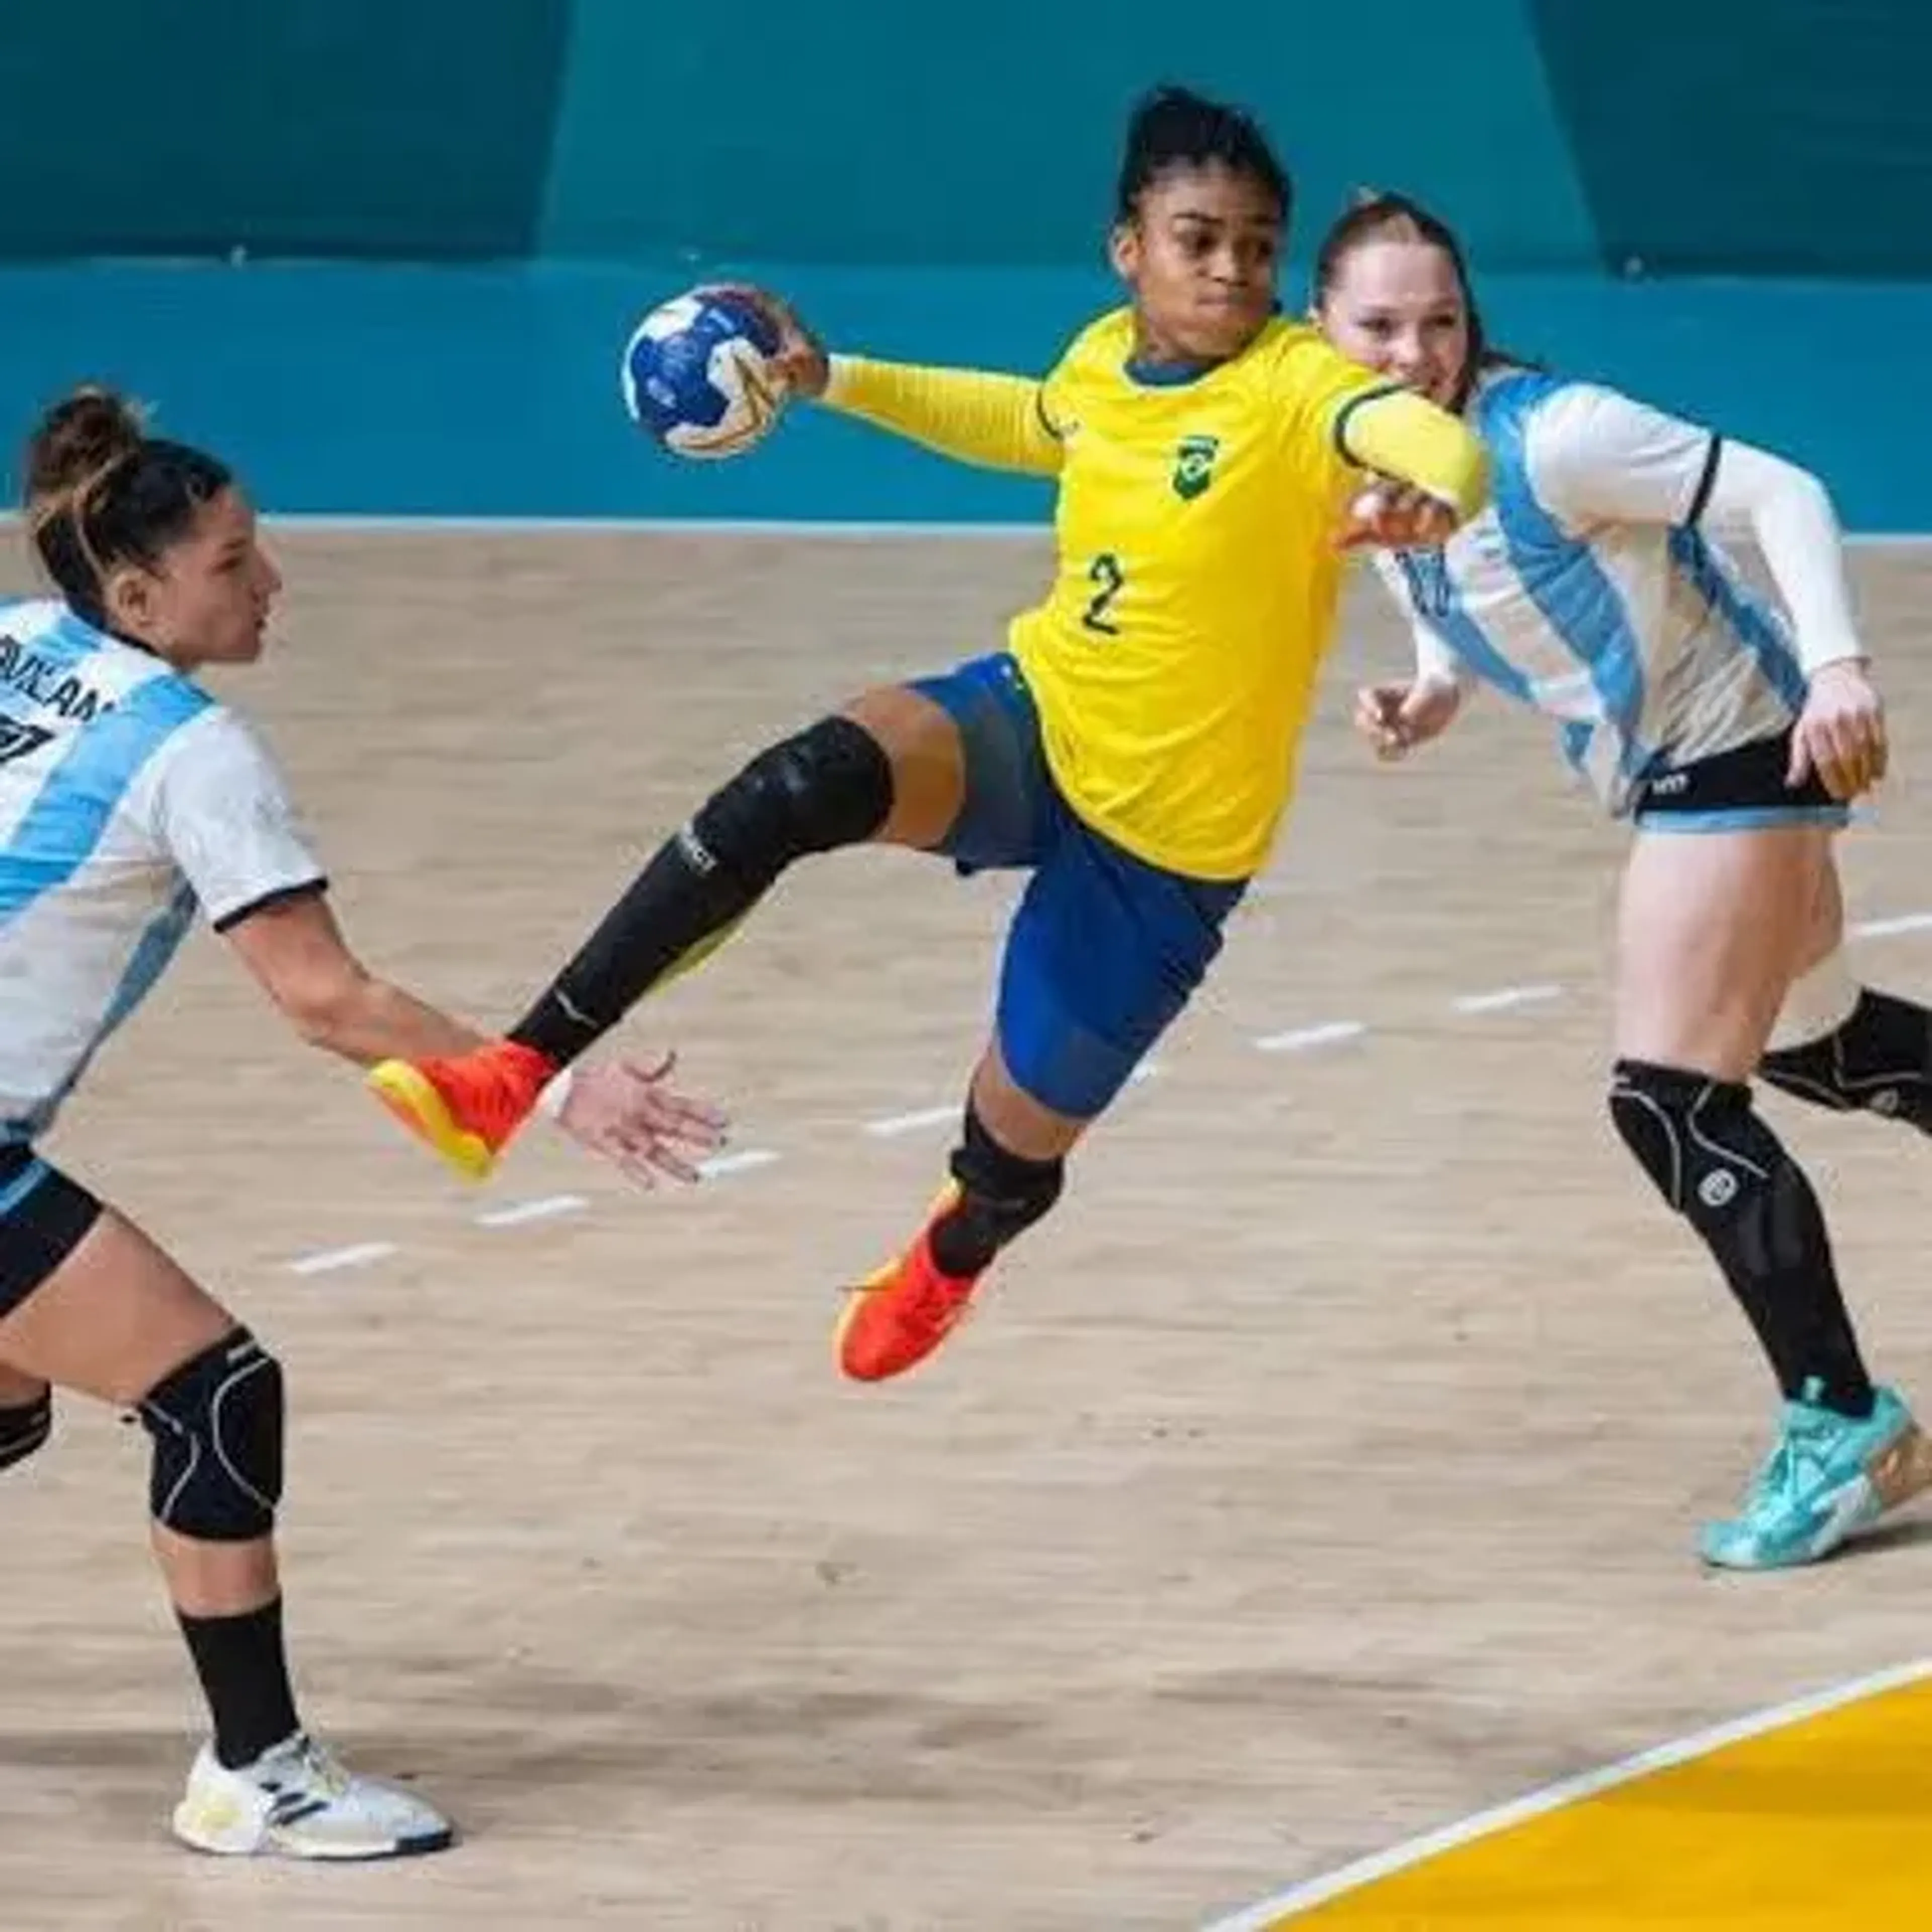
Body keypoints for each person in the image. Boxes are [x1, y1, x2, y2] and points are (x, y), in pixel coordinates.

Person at [364, 86, 1490, 1385]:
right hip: (1042, 708)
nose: (1232, 268)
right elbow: (1029, 421)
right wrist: (827, 376)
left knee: (1013, 1155)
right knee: (795, 787)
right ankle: (515, 1068)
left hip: (1170, 846)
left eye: (1255, 243)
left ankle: (952, 1256)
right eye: (1199, 238)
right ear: (1129, 248)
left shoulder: (1300, 387)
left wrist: (1434, 489)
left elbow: (1424, 440)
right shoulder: (1101, 361)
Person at [0, 387, 722, 1857]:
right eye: (233, 562)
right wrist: (558, 1084)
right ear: (137, 594)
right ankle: (256, 1771)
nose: (273, 582)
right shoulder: (192, 753)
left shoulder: (14, 649)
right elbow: (327, 1001)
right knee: (216, 1392)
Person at [1314, 190, 1932, 1570]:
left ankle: (1843, 1426)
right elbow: (1453, 590)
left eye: (1441, 321)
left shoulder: (1561, 434)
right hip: (1677, 767)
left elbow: (1786, 491)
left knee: (1668, 1102)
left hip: (1745, 746)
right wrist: (1429, 691)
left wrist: (1839, 663)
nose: (1415, 351)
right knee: (1821, 1054)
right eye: (1381, 326)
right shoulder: (1371, 461)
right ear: (1323, 330)